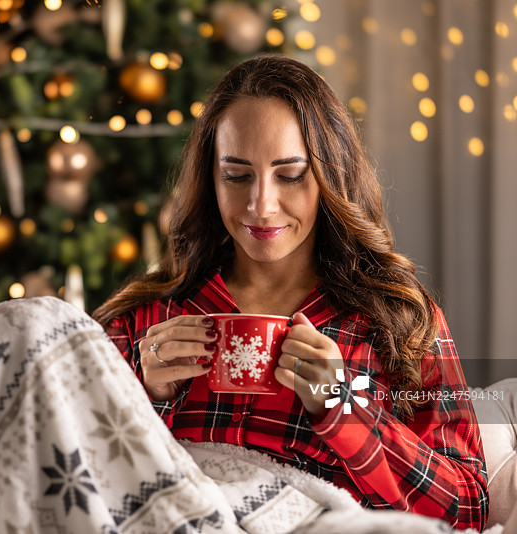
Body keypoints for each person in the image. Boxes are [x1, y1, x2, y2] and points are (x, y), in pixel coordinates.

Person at [92, 54, 489, 530]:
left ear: (328, 175)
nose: (261, 205)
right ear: (210, 178)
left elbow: (468, 509)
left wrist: (342, 406)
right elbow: (65, 484)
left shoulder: (398, 321)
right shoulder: (144, 322)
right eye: (236, 175)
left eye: (291, 174)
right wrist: (144, 393)